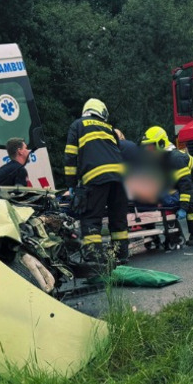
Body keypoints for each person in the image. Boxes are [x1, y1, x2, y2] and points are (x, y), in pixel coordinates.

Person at [64, 99, 129, 266]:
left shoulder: (77, 125)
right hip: (120, 179)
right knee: (118, 219)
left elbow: (71, 155)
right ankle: (121, 256)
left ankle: (96, 260)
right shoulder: (109, 128)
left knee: (91, 218)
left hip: (95, 178)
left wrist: (71, 184)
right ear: (102, 112)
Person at [139, 126, 193, 246]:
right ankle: (173, 236)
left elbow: (185, 184)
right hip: (184, 182)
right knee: (169, 202)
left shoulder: (175, 158)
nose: (148, 149)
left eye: (151, 146)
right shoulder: (160, 158)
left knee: (190, 202)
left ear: (161, 143)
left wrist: (183, 207)